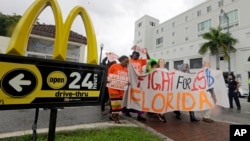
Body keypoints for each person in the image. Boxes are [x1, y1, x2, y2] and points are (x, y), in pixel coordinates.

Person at [107, 55, 129, 124]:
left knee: (120, 104)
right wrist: (108, 80)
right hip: (113, 88)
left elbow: (127, 78)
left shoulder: (126, 69)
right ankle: (116, 117)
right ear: (121, 60)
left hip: (121, 89)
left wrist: (128, 82)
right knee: (116, 103)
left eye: (128, 62)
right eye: (126, 62)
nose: (127, 63)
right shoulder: (114, 66)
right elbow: (108, 75)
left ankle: (112, 115)